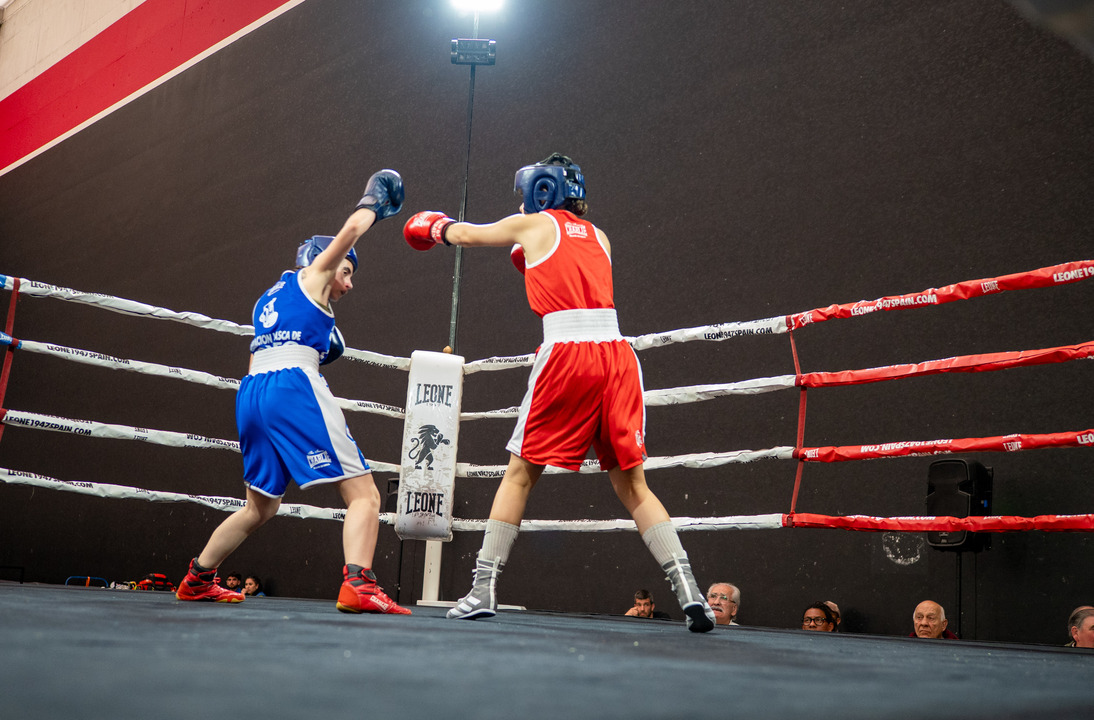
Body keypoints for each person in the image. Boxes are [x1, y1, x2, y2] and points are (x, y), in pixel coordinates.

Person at [402, 153, 715, 633]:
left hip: (568, 355)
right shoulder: (601, 237)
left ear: (540, 192)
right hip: (618, 357)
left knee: (519, 476)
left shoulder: (533, 225)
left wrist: (434, 226)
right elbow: (573, 277)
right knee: (634, 486)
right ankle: (690, 589)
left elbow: (466, 235)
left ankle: (483, 588)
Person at [175, 170, 410, 615]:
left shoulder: (269, 296)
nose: (349, 283)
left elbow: (270, 347)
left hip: (252, 392)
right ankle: (359, 585)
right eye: (346, 271)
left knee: (259, 508)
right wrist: (374, 204)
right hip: (291, 385)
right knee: (365, 495)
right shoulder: (314, 275)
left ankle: (197, 578)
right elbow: (351, 230)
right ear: (323, 261)